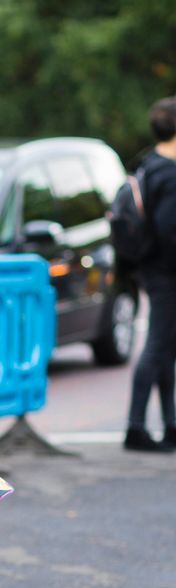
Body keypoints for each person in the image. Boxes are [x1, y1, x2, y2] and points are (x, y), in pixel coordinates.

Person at [124, 97, 176, 452]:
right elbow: (169, 230)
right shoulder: (169, 173)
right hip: (166, 271)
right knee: (158, 345)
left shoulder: (148, 163)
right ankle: (136, 428)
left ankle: (169, 423)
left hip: (151, 267)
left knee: (165, 346)